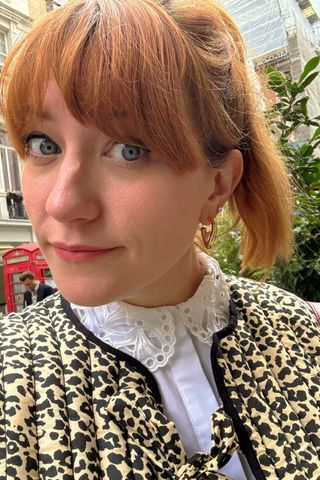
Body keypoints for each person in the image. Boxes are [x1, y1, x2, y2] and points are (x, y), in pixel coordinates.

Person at [0, 1, 319, 478]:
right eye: (43, 145)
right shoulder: (12, 377)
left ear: (218, 184)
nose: (62, 203)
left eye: (130, 150)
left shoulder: (304, 335)